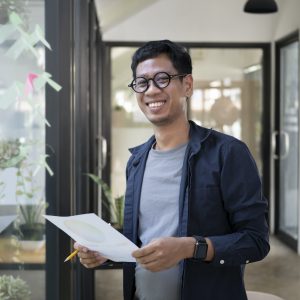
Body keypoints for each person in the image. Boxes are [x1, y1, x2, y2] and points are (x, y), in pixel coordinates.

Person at [75, 40, 270, 300]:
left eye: (162, 79)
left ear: (187, 85)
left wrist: (189, 248)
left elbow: (255, 241)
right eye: (142, 82)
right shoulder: (137, 161)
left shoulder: (228, 153)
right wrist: (104, 252)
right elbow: (143, 242)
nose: (151, 90)